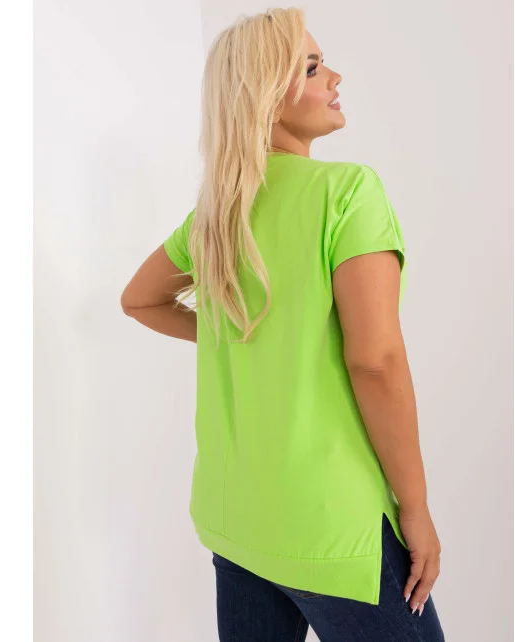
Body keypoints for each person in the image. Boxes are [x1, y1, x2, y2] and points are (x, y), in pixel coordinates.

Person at [121, 7, 444, 641]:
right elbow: (375, 361)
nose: (335, 77)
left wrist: (243, 335)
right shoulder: (347, 193)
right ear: (267, 93)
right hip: (330, 525)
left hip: (237, 519)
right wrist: (416, 509)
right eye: (313, 67)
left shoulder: (217, 216)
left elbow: (140, 300)